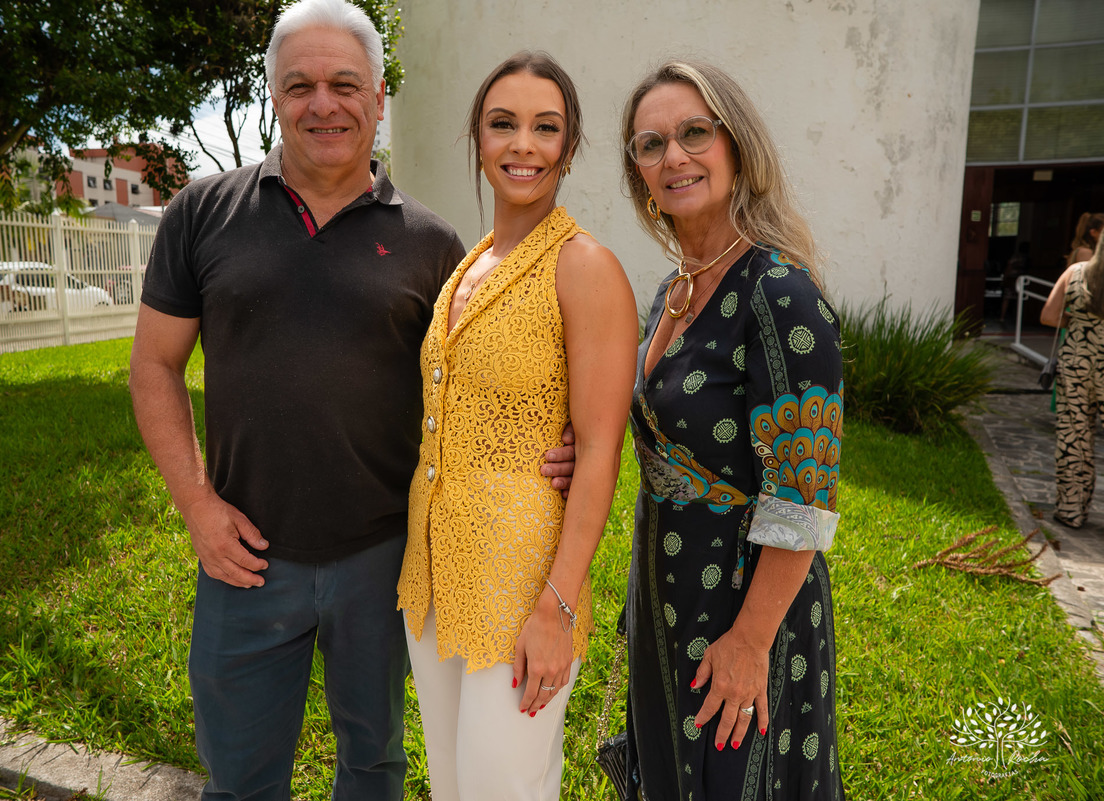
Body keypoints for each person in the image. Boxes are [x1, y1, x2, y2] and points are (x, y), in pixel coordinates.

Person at [127, 3, 576, 799]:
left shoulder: (433, 244)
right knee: (237, 775)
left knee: (374, 766)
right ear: (274, 95)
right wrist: (197, 505)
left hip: (386, 559)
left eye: (343, 84)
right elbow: (154, 367)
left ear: (376, 96)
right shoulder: (202, 212)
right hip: (244, 558)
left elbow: (481, 383)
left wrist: (554, 440)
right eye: (300, 85)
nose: (322, 104)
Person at [396, 52, 637, 800]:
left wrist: (557, 608)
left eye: (545, 127)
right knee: (452, 786)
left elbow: (600, 450)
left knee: (505, 788)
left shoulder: (584, 266)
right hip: (433, 578)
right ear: (478, 137)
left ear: (569, 146)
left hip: (522, 587)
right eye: (503, 124)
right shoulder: (470, 265)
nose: (522, 145)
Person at [618, 59, 845, 799]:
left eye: (694, 133)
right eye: (651, 144)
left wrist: (750, 642)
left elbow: (804, 494)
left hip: (746, 606)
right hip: (668, 588)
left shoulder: (778, 290)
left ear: (736, 145)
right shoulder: (671, 289)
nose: (673, 157)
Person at [1041, 233, 1104, 528]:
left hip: (1075, 363)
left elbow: (1049, 316)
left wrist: (1077, 322)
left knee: (1073, 437)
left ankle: (1071, 510)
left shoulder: (1075, 273)